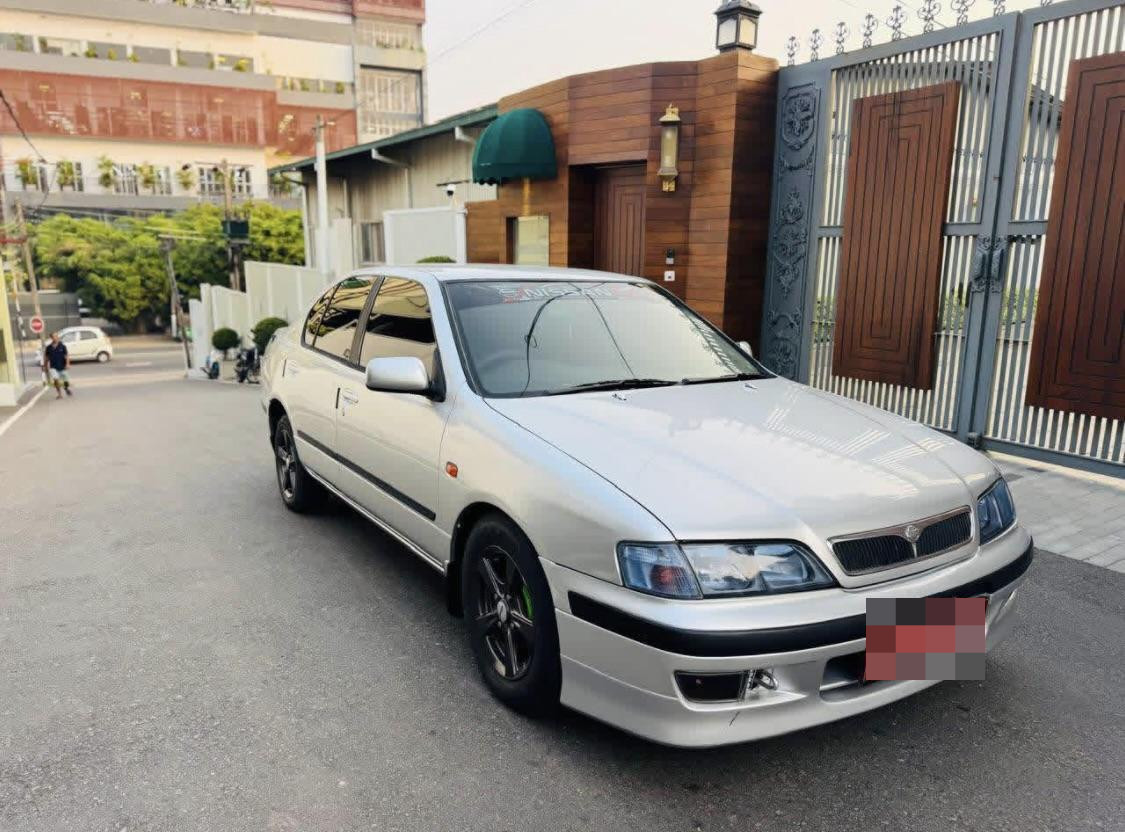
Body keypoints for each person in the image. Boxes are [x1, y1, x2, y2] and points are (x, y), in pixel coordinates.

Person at [43, 332, 72, 399]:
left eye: (56, 336)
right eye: (54, 336)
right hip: (53, 367)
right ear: (51, 338)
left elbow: (66, 356)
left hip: (62, 366)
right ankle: (59, 394)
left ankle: (66, 389)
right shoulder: (49, 348)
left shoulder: (63, 346)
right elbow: (46, 358)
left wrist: (68, 364)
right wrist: (45, 367)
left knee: (66, 381)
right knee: (56, 379)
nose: (55, 338)